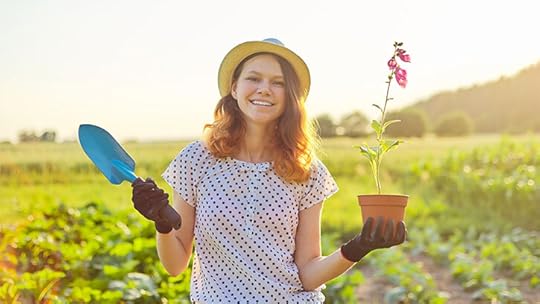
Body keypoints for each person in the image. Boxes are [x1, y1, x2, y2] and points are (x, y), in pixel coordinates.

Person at [131, 38, 407, 303]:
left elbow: (309, 275)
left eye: (279, 83)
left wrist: (359, 246)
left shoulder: (308, 171)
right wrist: (163, 223)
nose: (265, 89)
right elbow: (175, 265)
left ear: (291, 97)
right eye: (254, 78)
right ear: (234, 87)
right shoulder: (197, 160)